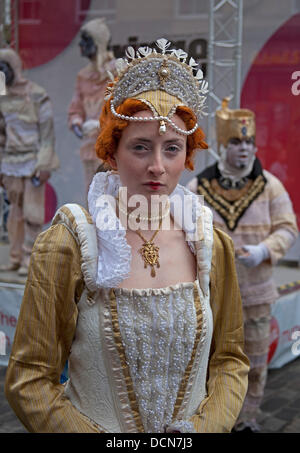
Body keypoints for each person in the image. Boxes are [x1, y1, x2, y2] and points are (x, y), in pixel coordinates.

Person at [5, 40, 249, 433]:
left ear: (186, 155)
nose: (158, 166)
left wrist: (201, 431)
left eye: (172, 148)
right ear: (111, 151)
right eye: (140, 146)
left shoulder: (209, 244)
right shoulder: (71, 242)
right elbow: (30, 378)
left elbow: (230, 361)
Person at [187, 97, 298, 432]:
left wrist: (265, 250)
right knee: (211, 361)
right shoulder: (198, 188)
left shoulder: (269, 186)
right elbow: (183, 233)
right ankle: (214, 418)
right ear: (223, 145)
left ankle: (247, 419)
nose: (245, 149)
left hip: (256, 292)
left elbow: (288, 227)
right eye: (236, 142)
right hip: (212, 294)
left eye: (249, 142)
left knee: (255, 362)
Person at [0, 48, 59, 276]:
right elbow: (2, 135)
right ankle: (15, 257)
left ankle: (29, 258)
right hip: (11, 164)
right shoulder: (2, 97)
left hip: (33, 162)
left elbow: (47, 135)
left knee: (33, 213)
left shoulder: (37, 94)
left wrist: (45, 164)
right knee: (14, 212)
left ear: (14, 67)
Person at [68, 17, 116, 197]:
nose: (80, 44)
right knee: (91, 193)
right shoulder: (83, 76)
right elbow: (76, 107)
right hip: (89, 146)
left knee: (112, 194)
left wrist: (100, 124)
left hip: (112, 146)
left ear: (99, 42)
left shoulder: (116, 71)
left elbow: (124, 108)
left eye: (86, 40)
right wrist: (77, 123)